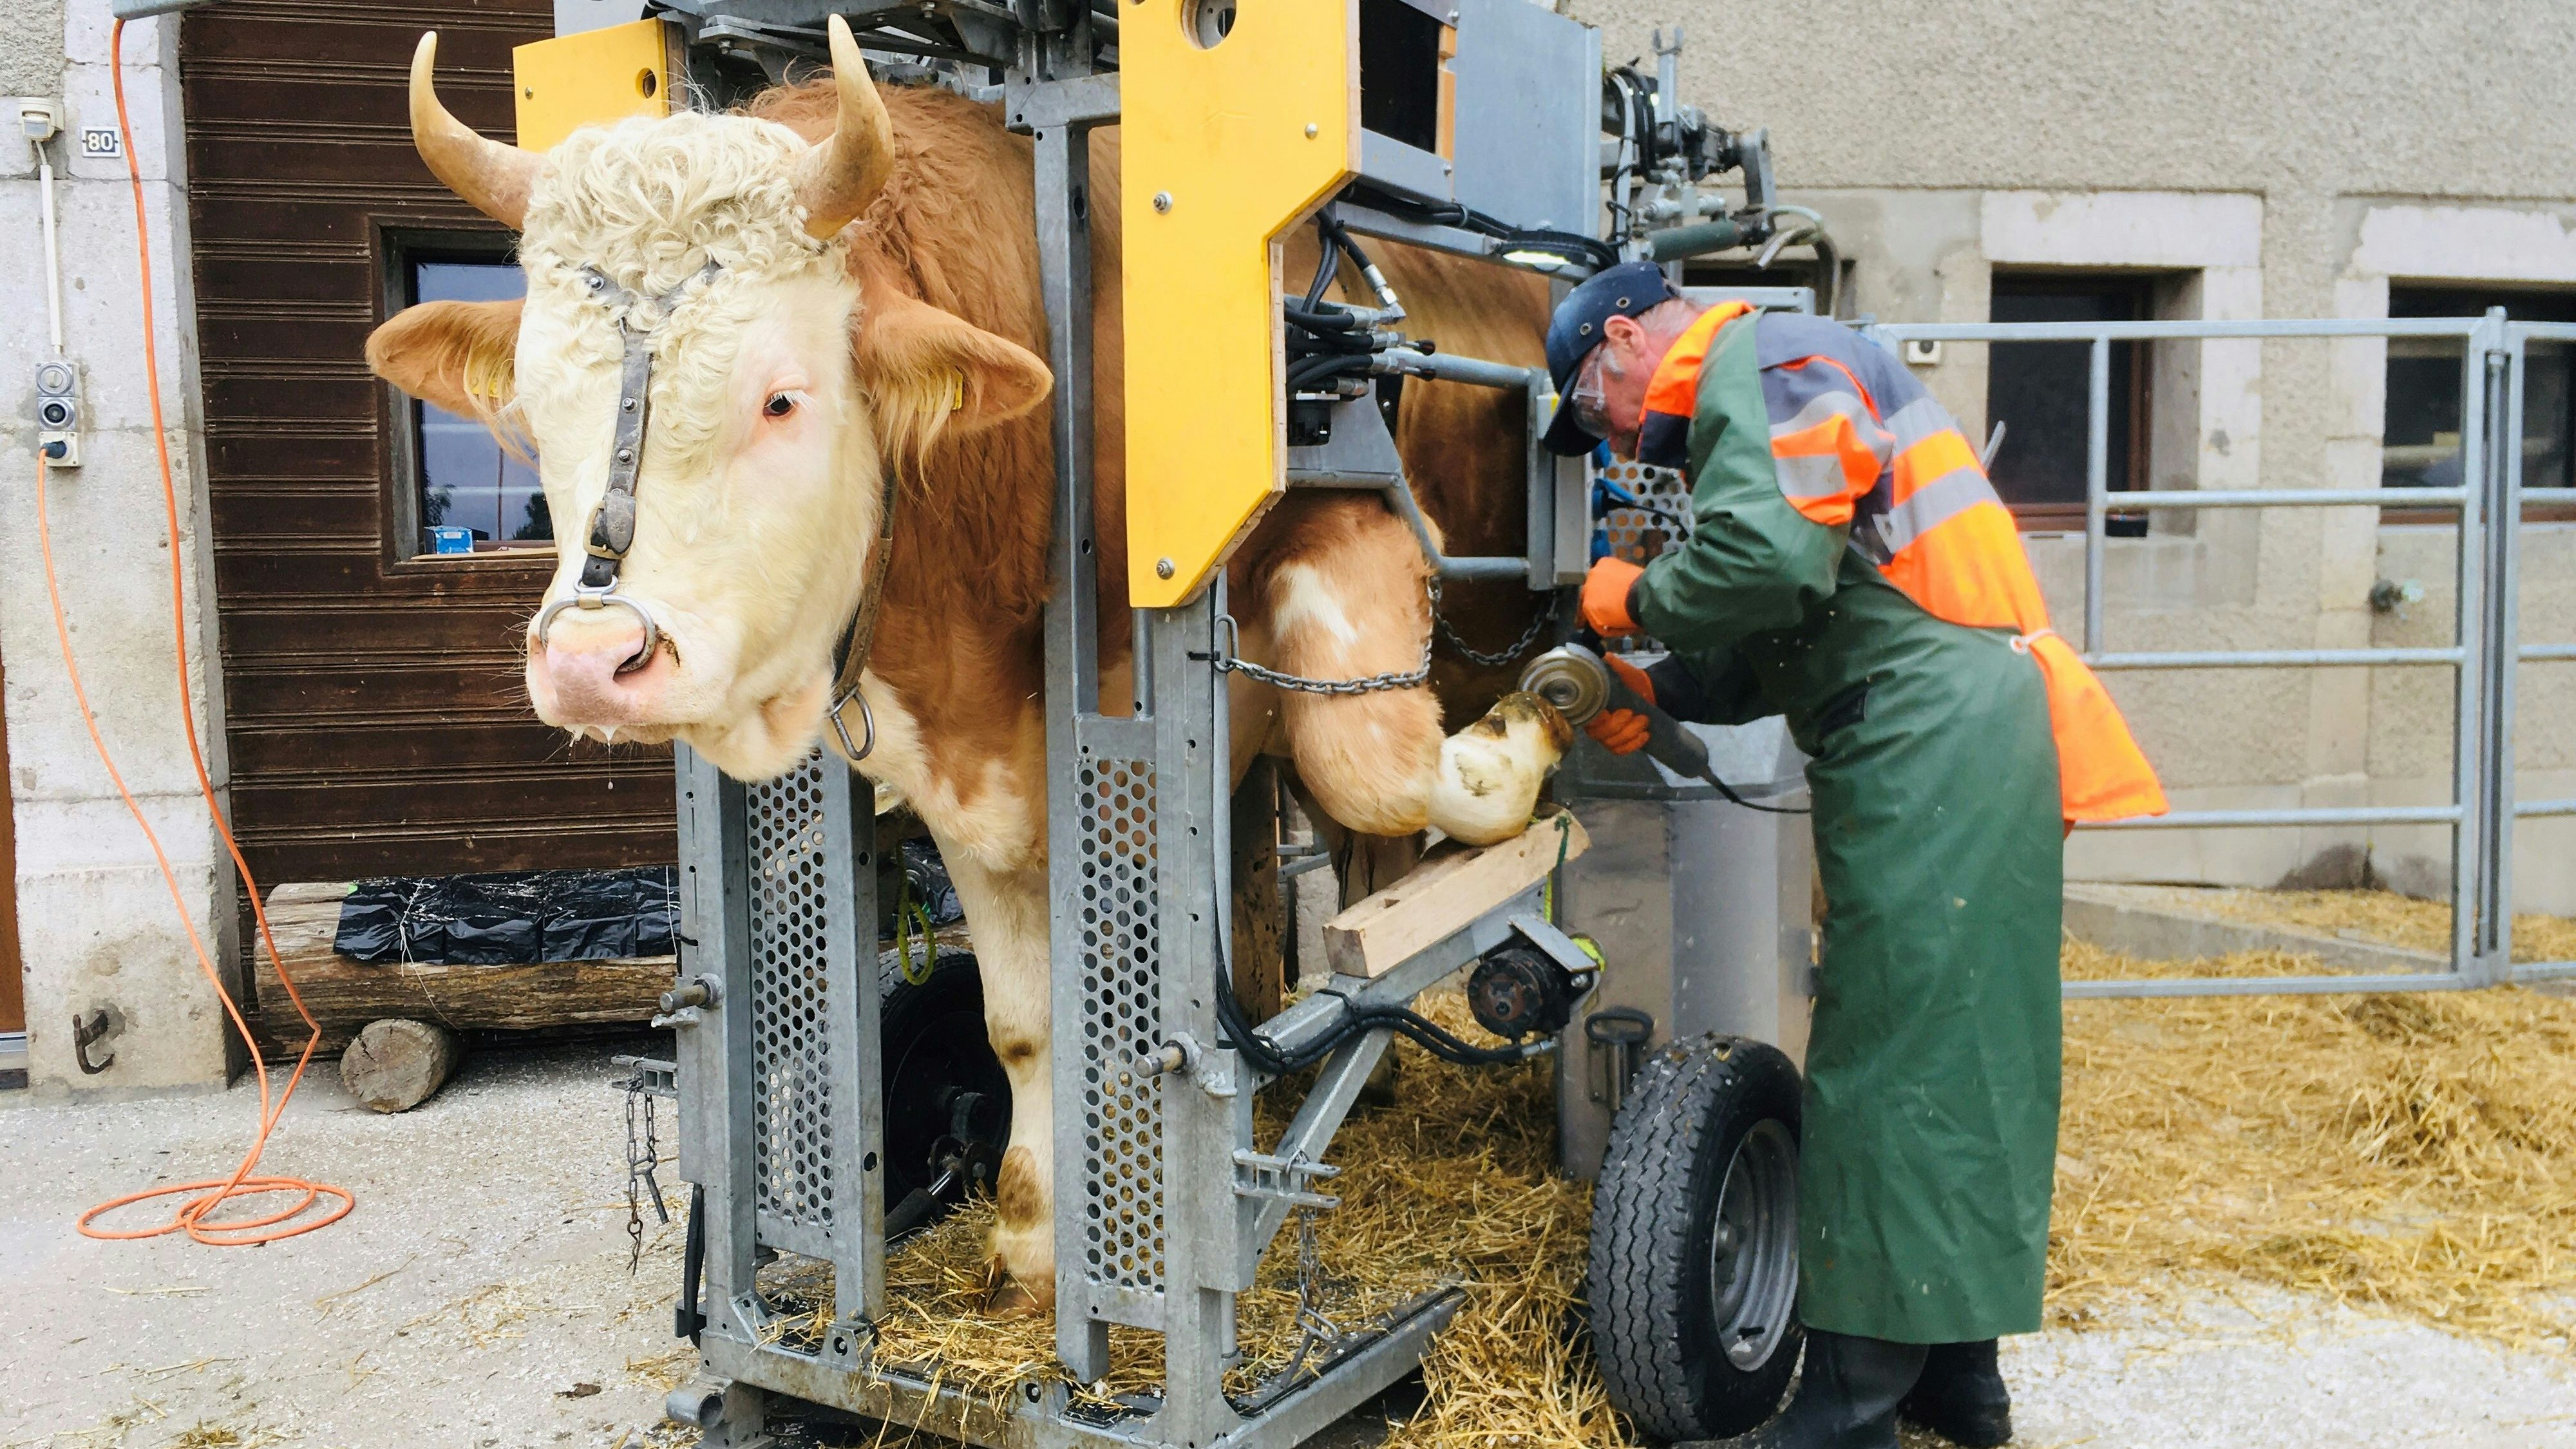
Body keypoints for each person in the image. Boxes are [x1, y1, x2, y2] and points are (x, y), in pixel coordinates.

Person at [1543, 263, 2168, 1449]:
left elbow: (1764, 570)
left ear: (1624, 341)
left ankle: (1846, 1410)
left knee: (1886, 1053)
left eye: (1589, 409)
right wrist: (1644, 687)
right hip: (1954, 727)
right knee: (1958, 1044)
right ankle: (1954, 1379)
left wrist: (1630, 596)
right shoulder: (1782, 379)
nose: (1609, 441)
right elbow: (1777, 631)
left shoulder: (1762, 362)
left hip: (1926, 728)